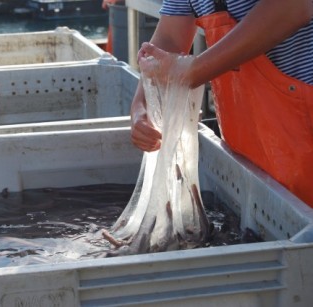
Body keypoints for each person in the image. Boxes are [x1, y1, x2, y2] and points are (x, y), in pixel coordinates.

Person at [130, 0, 313, 207]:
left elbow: (293, 7)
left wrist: (194, 71)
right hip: (252, 144)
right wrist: (141, 107)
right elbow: (170, 38)